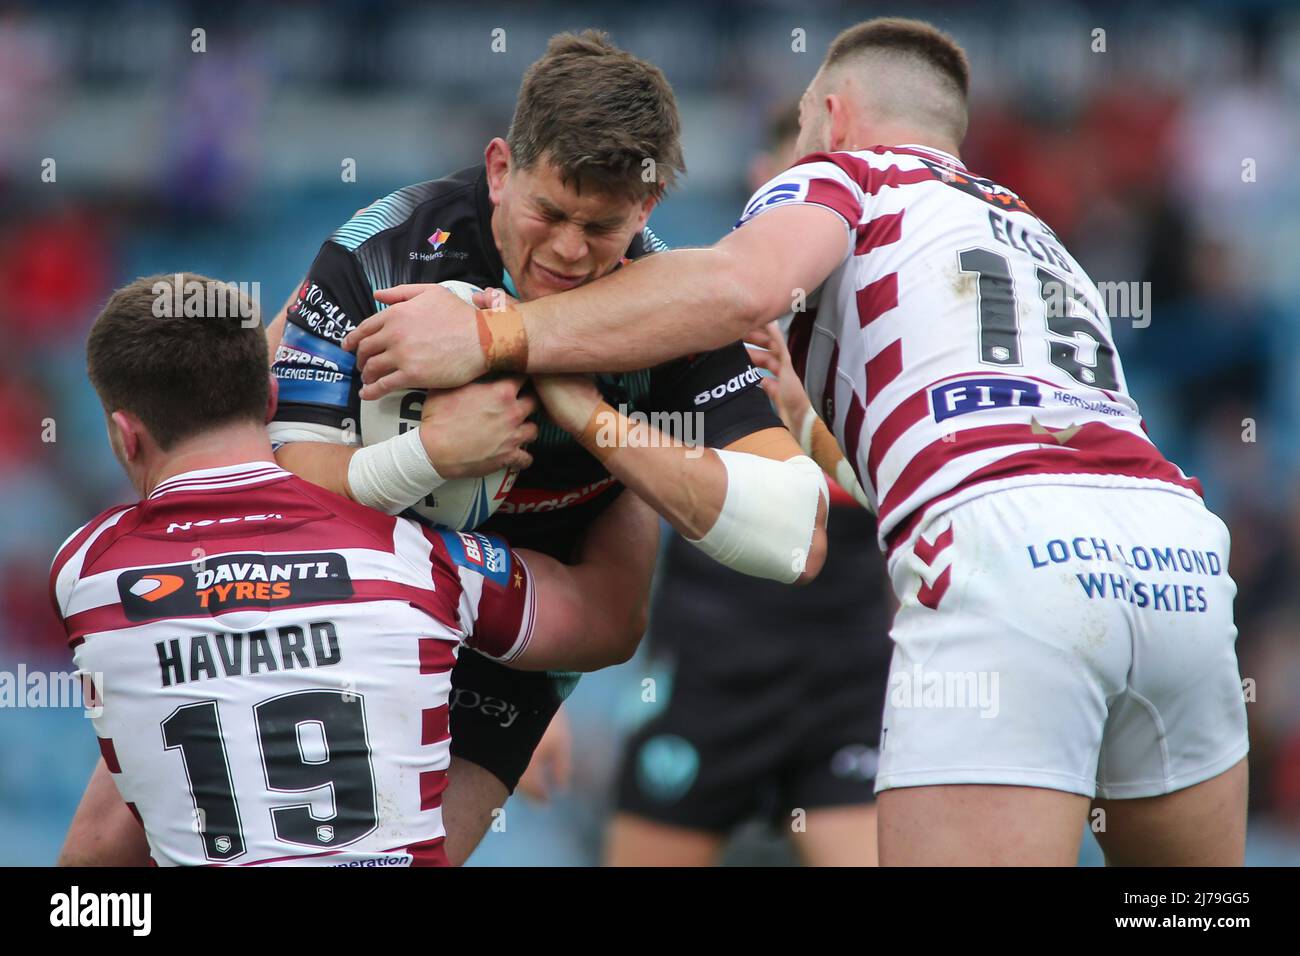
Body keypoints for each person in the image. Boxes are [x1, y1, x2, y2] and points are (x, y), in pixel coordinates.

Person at [343, 18, 1250, 866]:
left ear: (830, 116)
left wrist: (500, 339)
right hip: (1176, 551)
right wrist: (811, 421)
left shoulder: (842, 174)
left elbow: (739, 286)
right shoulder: (1035, 232)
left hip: (1007, 553)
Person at [265, 30, 828, 865]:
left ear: (650, 206)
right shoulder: (380, 250)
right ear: (500, 169)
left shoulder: (675, 316)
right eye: (550, 213)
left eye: (601, 228)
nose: (569, 251)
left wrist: (591, 411)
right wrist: (431, 454)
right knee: (112, 839)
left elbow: (799, 536)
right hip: (346, 598)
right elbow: (279, 490)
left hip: (520, 639)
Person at [53, 273, 657, 867]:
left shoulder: (87, 574)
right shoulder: (417, 558)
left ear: (124, 436)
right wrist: (611, 428)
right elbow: (609, 617)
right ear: (269, 399)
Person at [606, 107, 893, 867]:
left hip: (853, 667)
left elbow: (923, 502)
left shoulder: (899, 327)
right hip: (710, 657)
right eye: (790, 178)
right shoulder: (691, 314)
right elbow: (610, 475)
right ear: (759, 185)